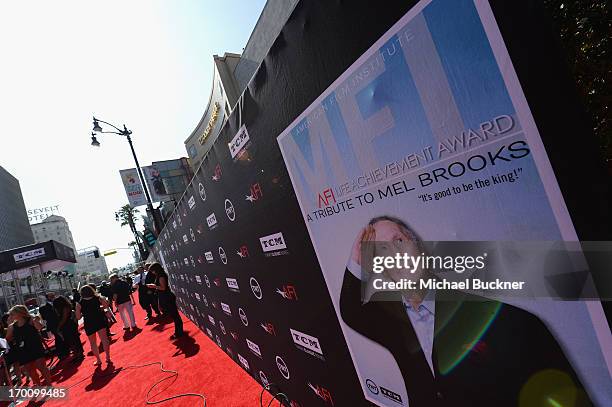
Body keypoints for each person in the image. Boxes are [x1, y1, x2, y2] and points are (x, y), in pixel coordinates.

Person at [339, 216, 592, 407]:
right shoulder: (393, 321)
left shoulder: (512, 322)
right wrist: (357, 259)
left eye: (399, 240)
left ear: (418, 245)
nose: (396, 254)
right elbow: (351, 312)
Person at [4, 305, 52, 385]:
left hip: (35, 346)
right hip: (23, 350)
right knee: (30, 370)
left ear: (19, 313)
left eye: (12, 314)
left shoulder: (30, 320)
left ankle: (49, 385)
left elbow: (40, 328)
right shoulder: (12, 327)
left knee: (42, 367)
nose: (10, 316)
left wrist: (35, 320)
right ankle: (39, 386)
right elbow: (7, 340)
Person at [75, 285, 112, 366]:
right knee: (104, 339)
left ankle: (98, 360)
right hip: (99, 319)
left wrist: (84, 312)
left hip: (89, 323)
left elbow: (78, 317)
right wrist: (99, 308)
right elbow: (106, 306)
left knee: (93, 343)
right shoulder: (98, 298)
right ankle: (108, 357)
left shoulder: (79, 303)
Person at [147, 263, 183, 339]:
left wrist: (154, 286)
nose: (152, 272)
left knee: (175, 316)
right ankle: (179, 332)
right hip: (165, 297)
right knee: (174, 315)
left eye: (152, 270)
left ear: (155, 269)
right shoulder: (159, 275)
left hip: (167, 297)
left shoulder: (161, 276)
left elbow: (163, 288)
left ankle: (179, 333)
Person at [53, 296, 84, 361]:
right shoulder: (67, 306)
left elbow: (64, 318)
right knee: (73, 340)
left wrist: (58, 327)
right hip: (70, 324)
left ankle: (78, 354)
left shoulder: (64, 308)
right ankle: (78, 354)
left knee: (73, 340)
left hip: (68, 326)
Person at [39, 292, 68, 360]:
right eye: (51, 296)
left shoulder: (58, 303)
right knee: (59, 338)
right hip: (53, 325)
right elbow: (44, 318)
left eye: (53, 295)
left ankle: (65, 351)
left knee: (62, 337)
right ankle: (61, 354)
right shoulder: (43, 308)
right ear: (47, 297)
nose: (53, 297)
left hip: (61, 323)